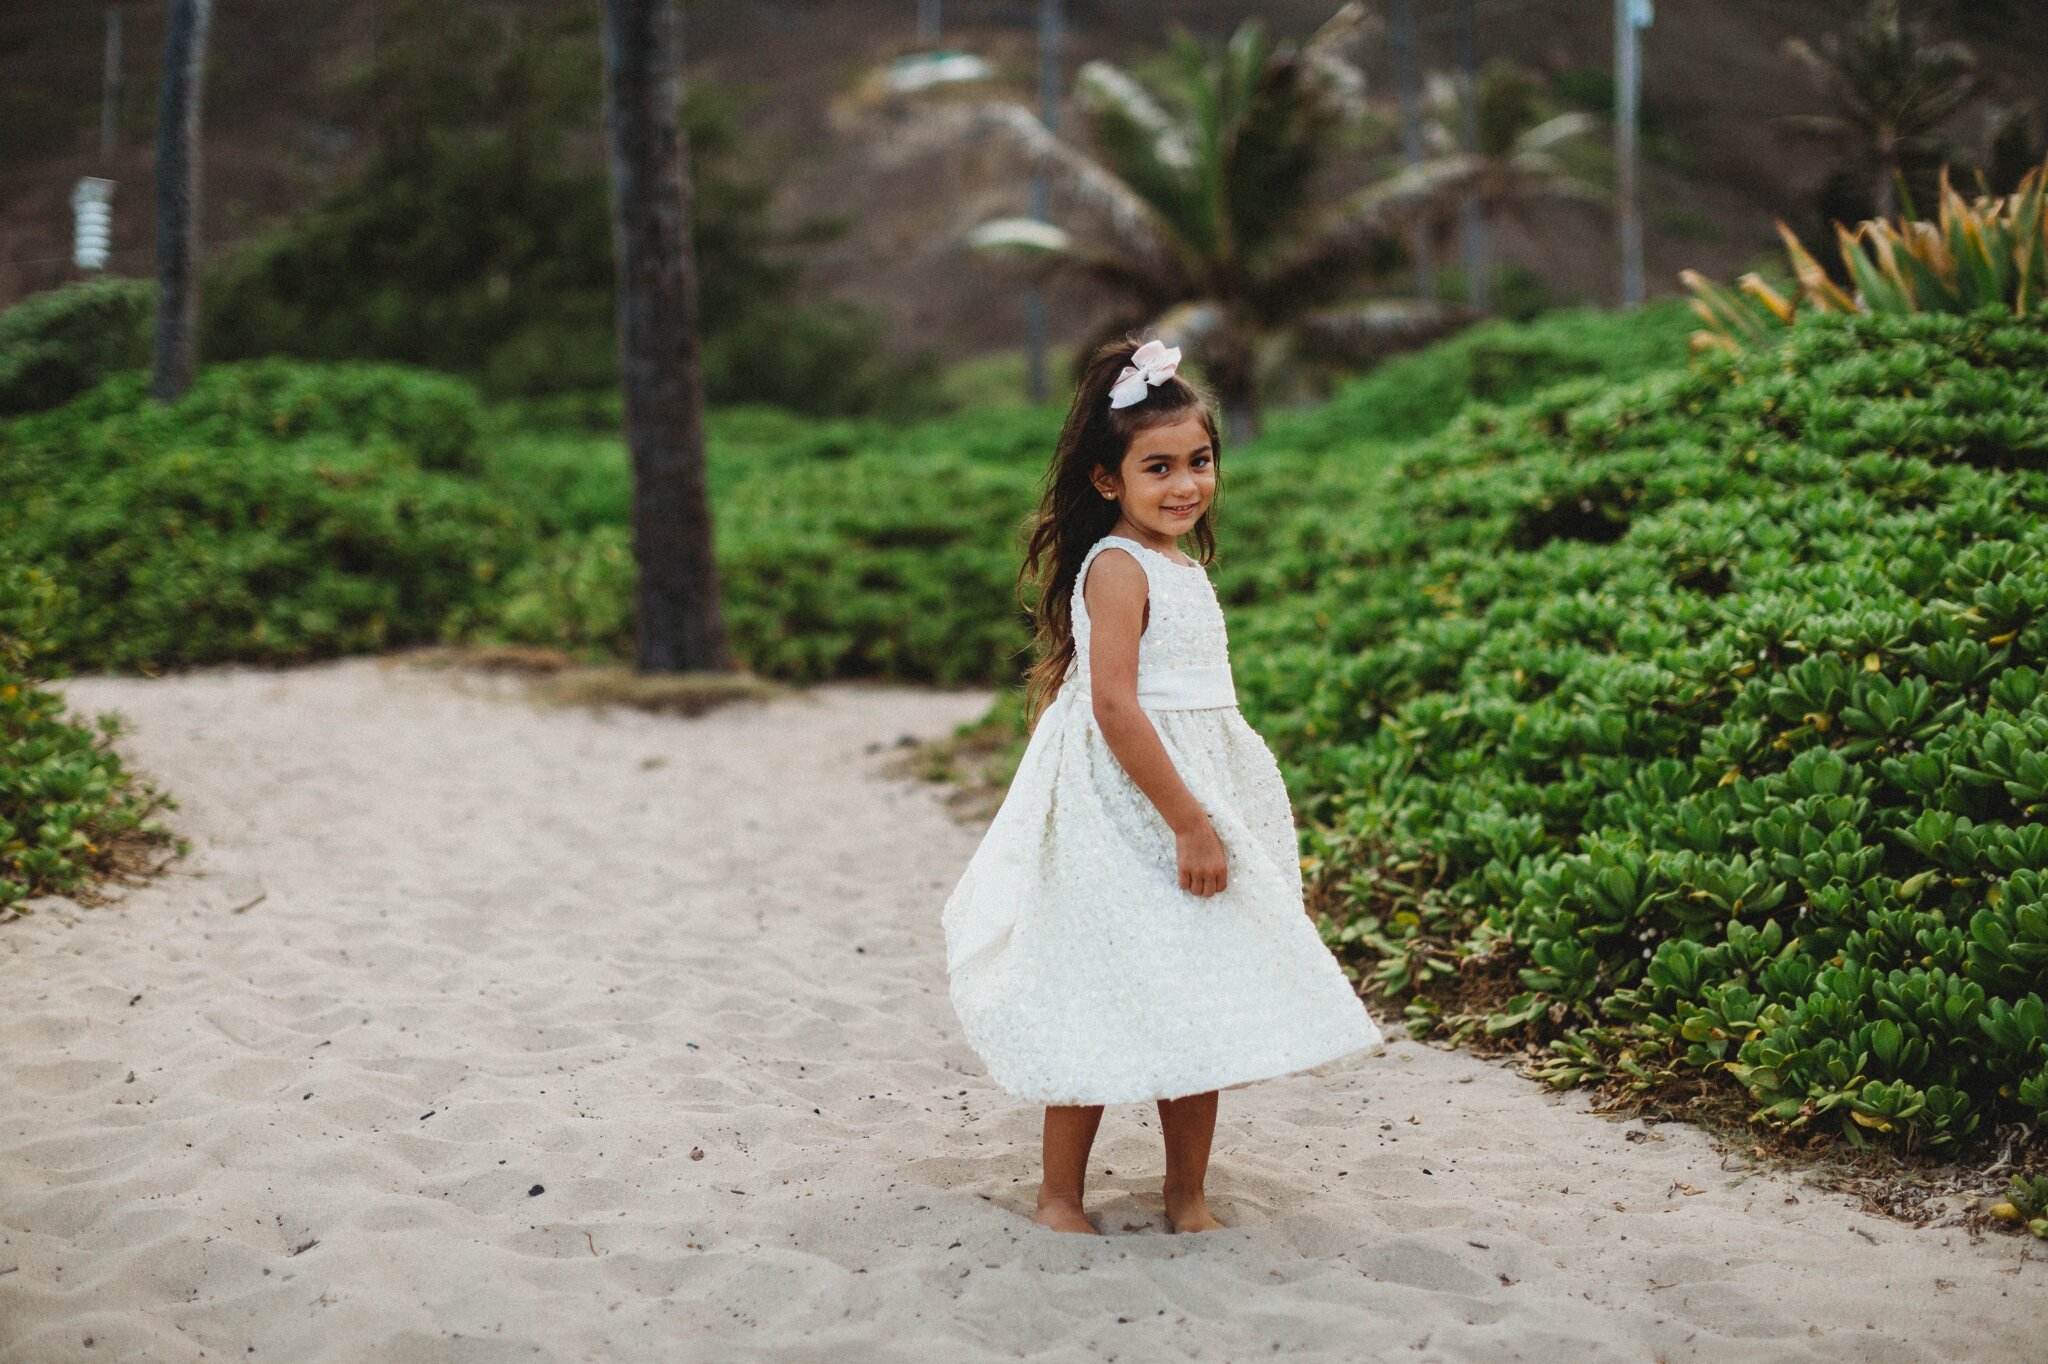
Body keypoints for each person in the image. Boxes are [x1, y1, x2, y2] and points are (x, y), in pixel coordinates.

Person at [940, 334, 1385, 1237]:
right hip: (1129, 809)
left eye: (1200, 461)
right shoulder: (1117, 567)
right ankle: (1058, 1197)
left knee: (1198, 993)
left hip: (1194, 792)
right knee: (1098, 993)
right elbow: (1113, 704)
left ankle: (1187, 1194)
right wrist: (1188, 819)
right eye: (1159, 468)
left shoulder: (1184, 565)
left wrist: (1212, 803)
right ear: (1109, 480)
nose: (1185, 484)